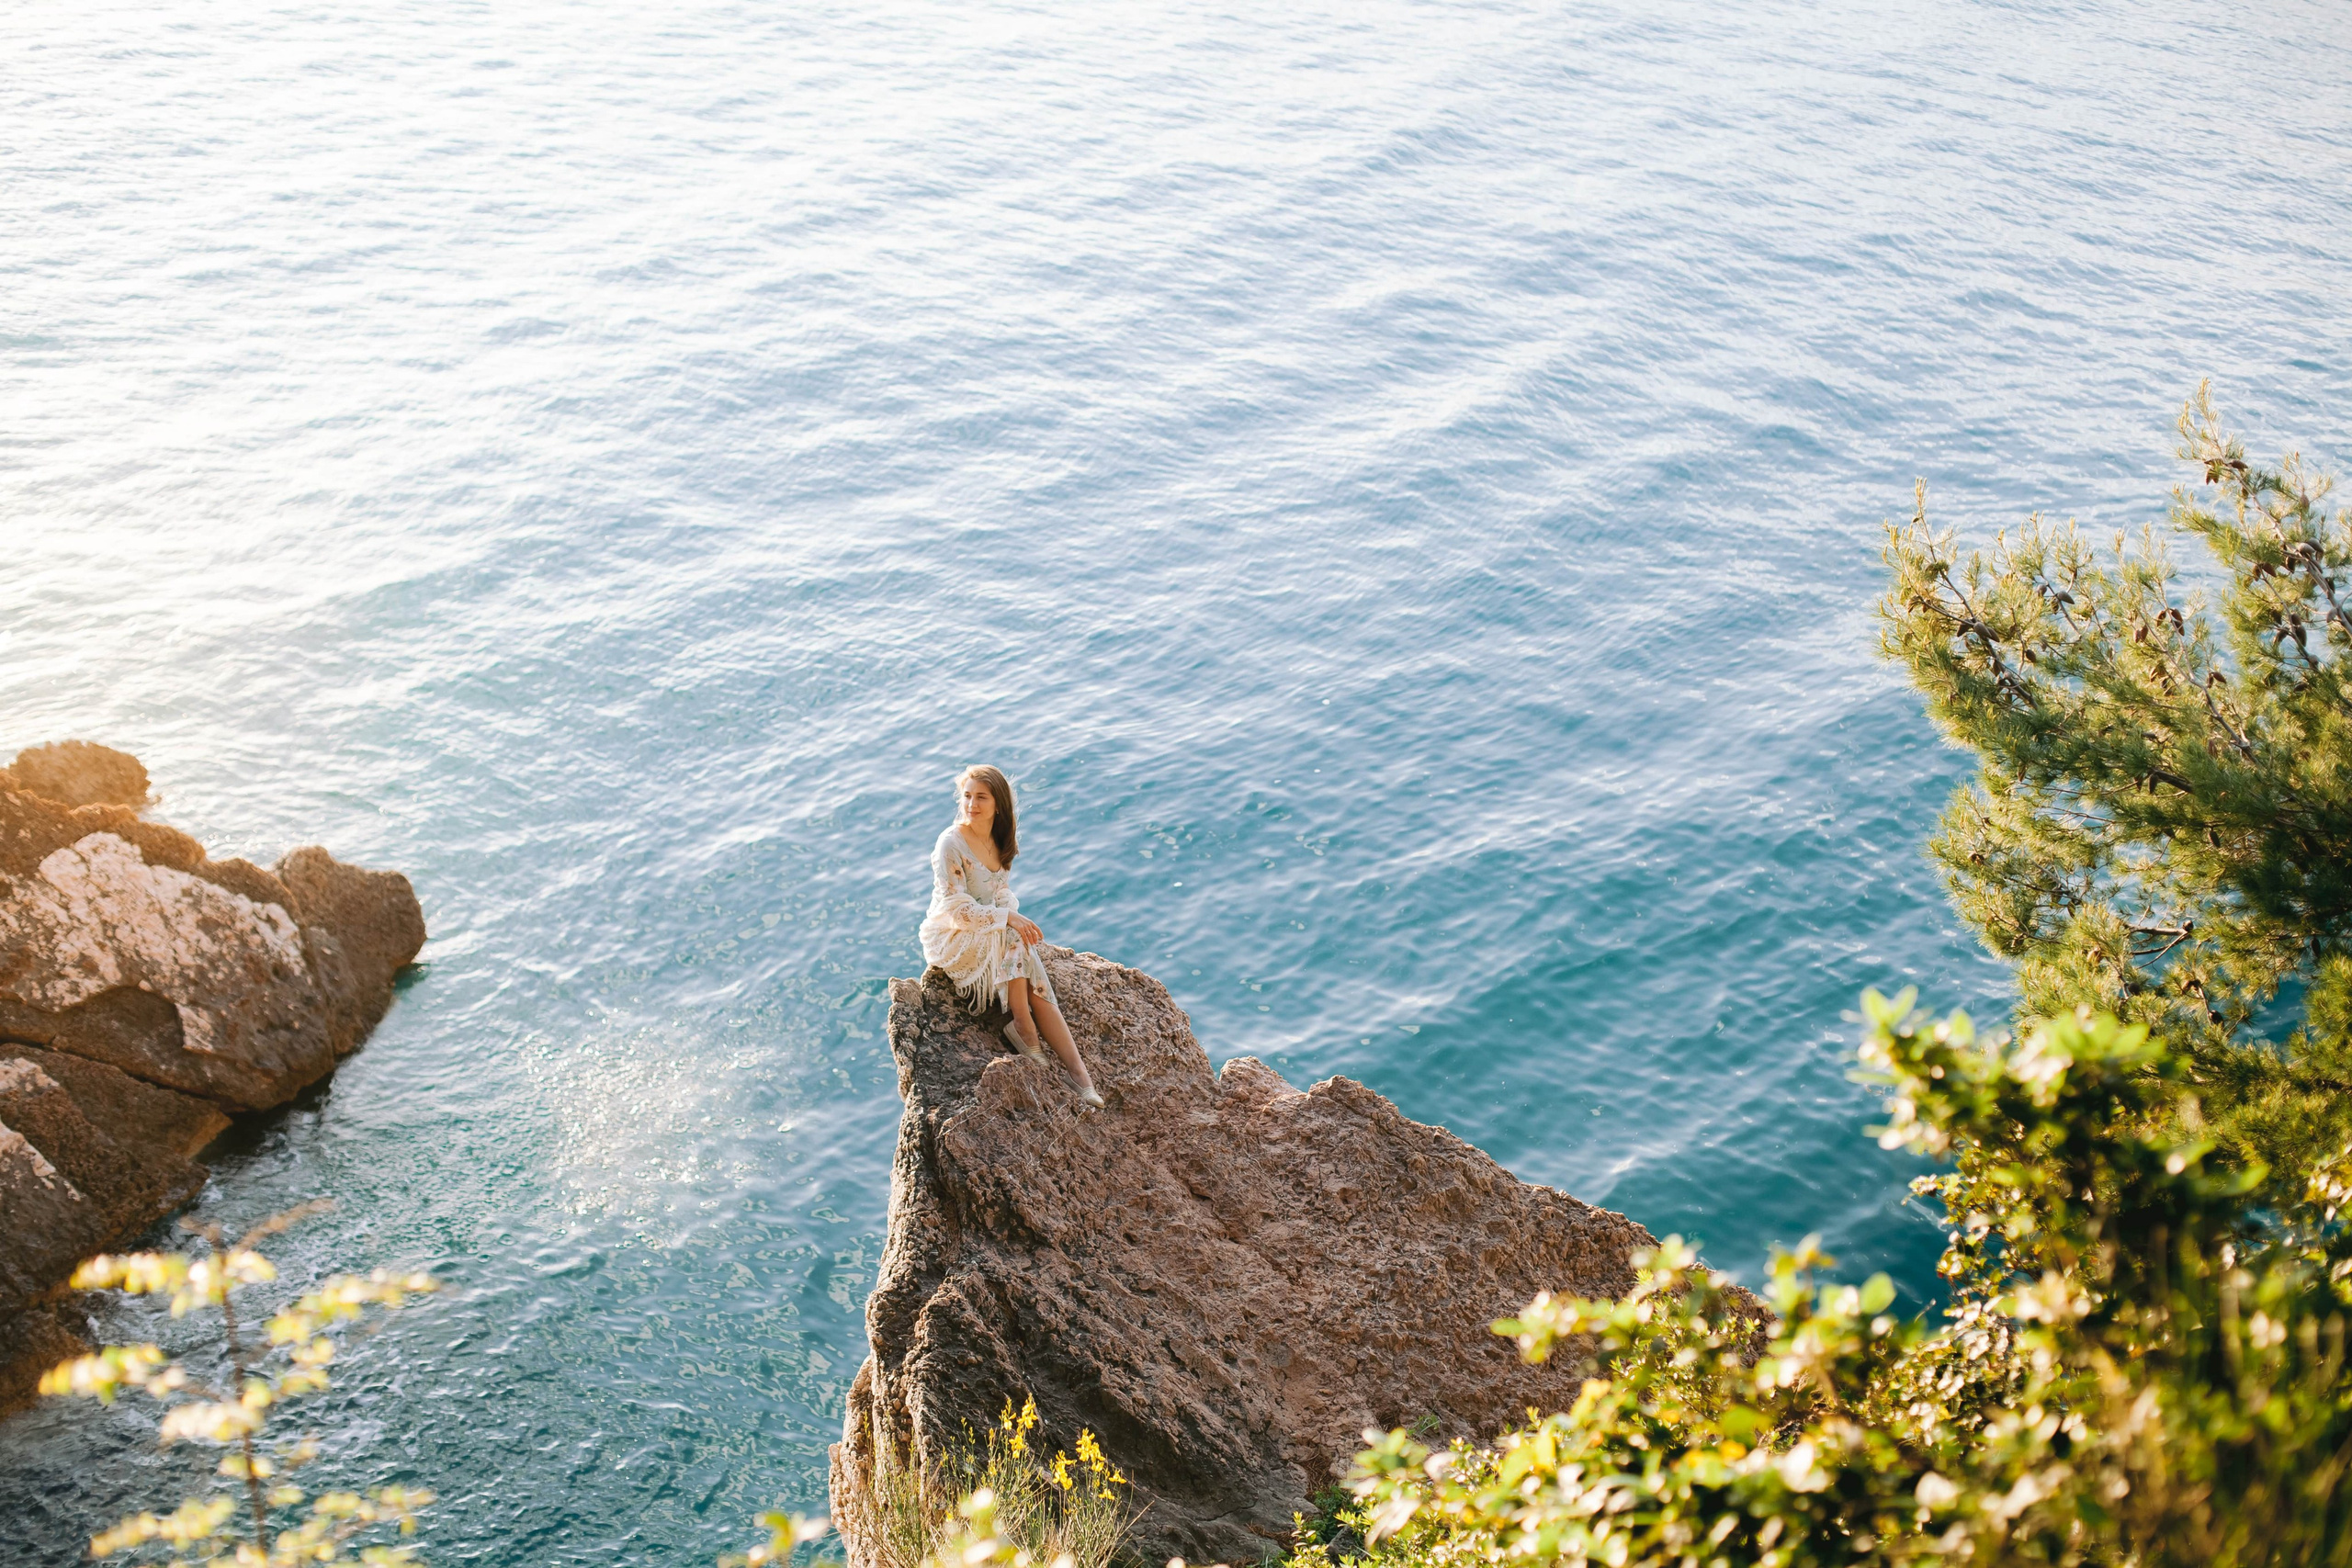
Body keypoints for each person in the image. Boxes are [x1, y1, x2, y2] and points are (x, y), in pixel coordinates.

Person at [919, 765, 1104, 1107]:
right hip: (954, 936)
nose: (971, 804)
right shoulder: (950, 843)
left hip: (993, 928)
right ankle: (1025, 1027)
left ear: (998, 804)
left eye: (981, 797)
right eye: (967, 796)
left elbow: (1001, 891)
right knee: (1016, 940)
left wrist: (1009, 914)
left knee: (1028, 961)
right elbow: (957, 911)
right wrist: (1007, 918)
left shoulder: (998, 838)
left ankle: (1078, 1072)